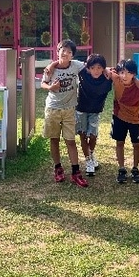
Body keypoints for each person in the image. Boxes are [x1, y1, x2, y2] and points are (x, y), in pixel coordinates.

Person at [41, 39, 89, 187]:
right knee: (54, 139)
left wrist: (110, 70)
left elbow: (93, 65)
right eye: (63, 50)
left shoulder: (76, 65)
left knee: (70, 141)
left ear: (72, 55)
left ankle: (76, 172)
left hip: (69, 109)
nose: (66, 53)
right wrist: (50, 88)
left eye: (69, 52)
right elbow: (43, 83)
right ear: (58, 51)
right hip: (53, 109)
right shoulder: (51, 69)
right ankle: (58, 168)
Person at [109, 59, 139, 184]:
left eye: (129, 73)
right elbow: (107, 70)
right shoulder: (117, 79)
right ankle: (121, 168)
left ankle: (135, 168)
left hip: (134, 119)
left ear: (134, 73)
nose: (125, 76)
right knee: (120, 142)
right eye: (122, 72)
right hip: (118, 117)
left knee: (136, 144)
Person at [75, 53, 113, 176]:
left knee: (93, 135)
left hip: (95, 111)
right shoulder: (83, 73)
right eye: (93, 68)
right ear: (88, 68)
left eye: (99, 68)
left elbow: (126, 72)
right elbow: (67, 62)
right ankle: (88, 161)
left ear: (103, 68)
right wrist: (52, 65)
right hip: (81, 109)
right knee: (82, 134)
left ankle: (91, 154)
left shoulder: (109, 77)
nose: (96, 71)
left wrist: (107, 69)